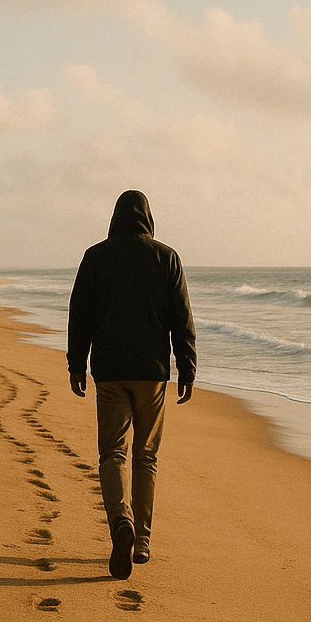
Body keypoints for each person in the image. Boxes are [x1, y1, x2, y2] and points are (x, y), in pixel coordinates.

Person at [67, 189, 197, 580]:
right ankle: (141, 541)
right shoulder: (166, 257)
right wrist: (187, 369)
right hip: (152, 374)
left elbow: (80, 314)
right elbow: (182, 318)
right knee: (146, 457)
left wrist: (77, 364)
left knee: (113, 454)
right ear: (148, 218)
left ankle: (119, 523)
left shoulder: (95, 257)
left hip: (108, 372)